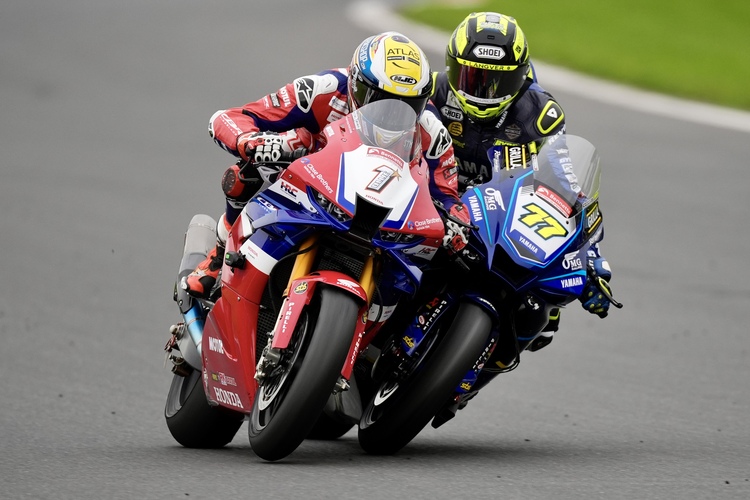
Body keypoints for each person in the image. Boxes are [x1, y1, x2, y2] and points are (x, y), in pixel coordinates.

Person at [183, 32, 471, 299]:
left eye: (407, 105)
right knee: (247, 172)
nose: (392, 114)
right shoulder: (322, 90)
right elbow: (230, 117)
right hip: (310, 186)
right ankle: (221, 252)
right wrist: (252, 142)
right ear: (357, 84)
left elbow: (446, 193)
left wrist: (456, 220)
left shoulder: (432, 130)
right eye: (381, 100)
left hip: (383, 213)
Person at [429, 12, 614, 349]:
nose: (483, 91)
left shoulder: (541, 116)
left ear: (520, 76)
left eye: (496, 81)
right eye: (472, 78)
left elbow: (571, 188)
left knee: (542, 321)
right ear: (452, 68)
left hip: (498, 222)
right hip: (433, 204)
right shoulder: (434, 90)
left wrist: (591, 256)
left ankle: (467, 380)